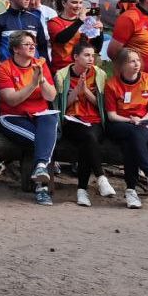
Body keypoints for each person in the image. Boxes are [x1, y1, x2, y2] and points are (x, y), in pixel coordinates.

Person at [107, 0, 148, 171]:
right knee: (136, 119)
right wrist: (130, 73)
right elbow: (113, 51)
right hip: (134, 81)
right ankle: (138, 162)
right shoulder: (129, 18)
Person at [0, 30, 58, 205]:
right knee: (44, 143)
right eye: (27, 44)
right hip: (12, 117)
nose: (32, 47)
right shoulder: (4, 69)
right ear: (15, 49)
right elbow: (11, 100)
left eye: (33, 44)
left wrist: (42, 80)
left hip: (39, 115)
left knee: (50, 121)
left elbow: (51, 97)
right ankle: (42, 189)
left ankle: (40, 168)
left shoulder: (40, 64)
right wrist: (32, 84)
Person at [104, 49, 148, 208]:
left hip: (143, 123)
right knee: (133, 134)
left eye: (138, 61)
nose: (136, 64)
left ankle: (131, 191)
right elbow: (111, 115)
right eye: (132, 61)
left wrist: (143, 119)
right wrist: (130, 120)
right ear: (122, 65)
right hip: (119, 124)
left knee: (131, 143)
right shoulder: (112, 84)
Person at [53, 45, 113, 206]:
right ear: (75, 57)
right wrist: (76, 90)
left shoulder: (100, 74)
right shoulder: (62, 75)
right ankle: (100, 177)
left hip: (94, 120)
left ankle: (82, 191)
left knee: (89, 139)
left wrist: (86, 91)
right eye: (86, 55)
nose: (91, 59)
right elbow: (61, 106)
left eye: (92, 56)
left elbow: (102, 105)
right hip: (73, 120)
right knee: (87, 136)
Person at [0, 0, 49, 66]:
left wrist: (40, 65)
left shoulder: (35, 19)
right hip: (8, 72)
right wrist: (0, 69)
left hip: (32, 72)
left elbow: (43, 47)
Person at [47, 0, 104, 74]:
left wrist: (100, 32)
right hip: (63, 70)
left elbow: (96, 48)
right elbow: (61, 39)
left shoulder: (88, 21)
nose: (78, 6)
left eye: (80, 3)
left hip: (85, 69)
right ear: (64, 3)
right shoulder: (54, 22)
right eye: (74, 2)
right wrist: (79, 21)